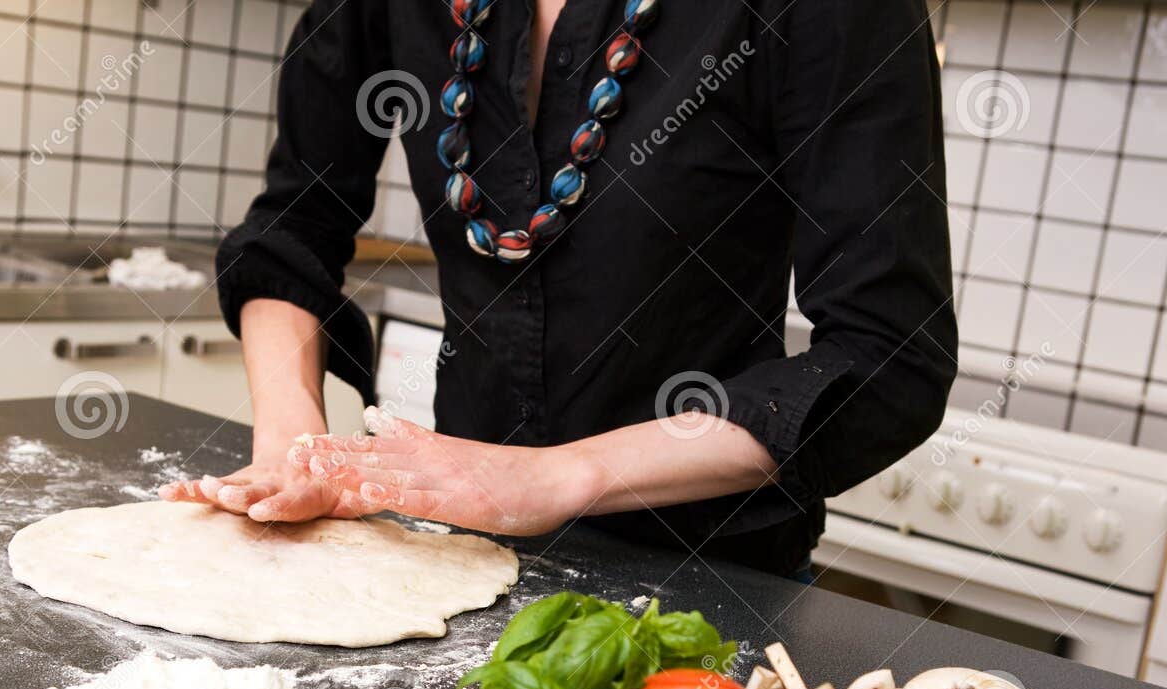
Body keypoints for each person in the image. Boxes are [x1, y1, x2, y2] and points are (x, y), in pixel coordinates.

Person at [161, 0, 955, 577]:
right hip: (444, 558)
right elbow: (293, 227)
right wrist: (294, 449)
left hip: (708, 585)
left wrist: (549, 478)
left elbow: (889, 355)